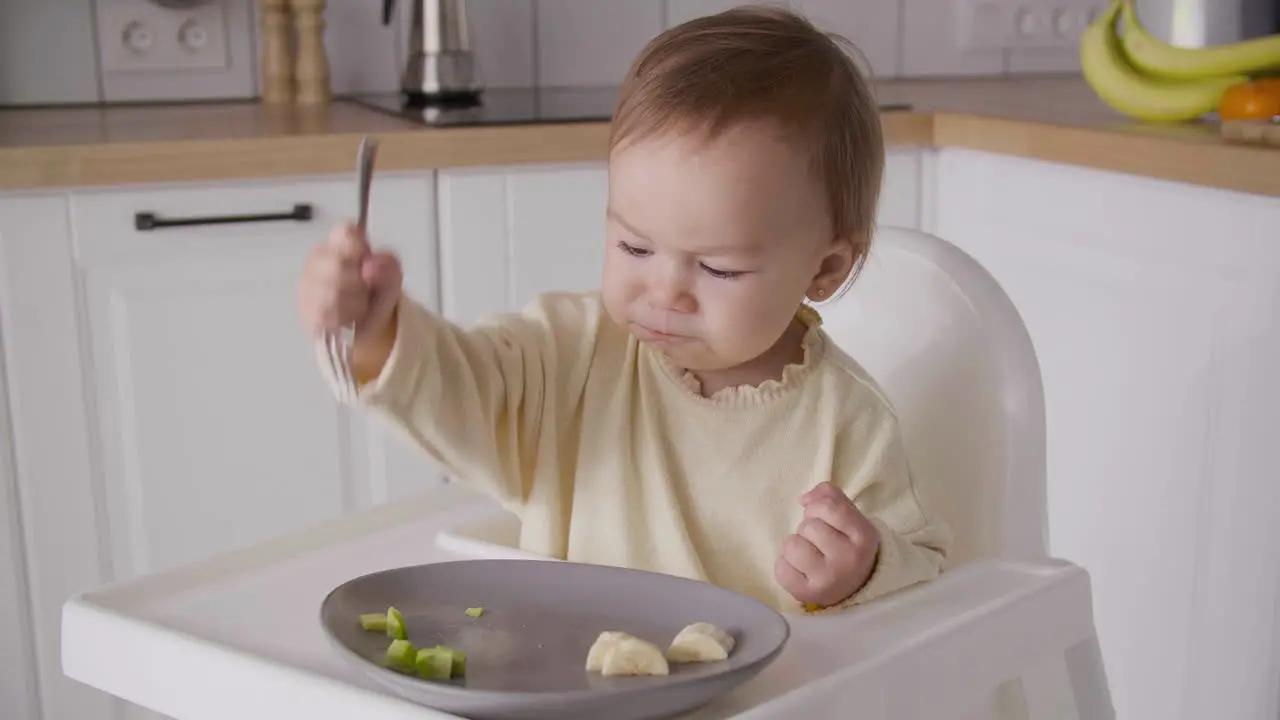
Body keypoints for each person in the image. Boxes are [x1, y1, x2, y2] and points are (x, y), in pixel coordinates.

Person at [298, 4, 951, 614]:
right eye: (634, 246)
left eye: (718, 267)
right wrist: (379, 331)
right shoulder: (571, 353)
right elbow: (463, 389)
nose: (664, 291)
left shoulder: (849, 422)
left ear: (826, 268)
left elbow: (926, 577)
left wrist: (863, 570)